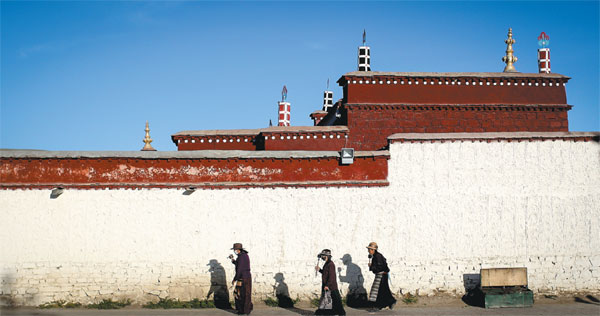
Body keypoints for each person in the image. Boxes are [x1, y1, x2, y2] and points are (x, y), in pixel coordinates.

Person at [314, 249, 346, 315]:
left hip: (331, 287)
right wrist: (320, 270)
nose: (322, 257)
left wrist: (327, 285)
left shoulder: (331, 264)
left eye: (323, 256)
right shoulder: (327, 264)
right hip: (327, 286)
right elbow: (326, 273)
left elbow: (332, 277)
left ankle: (341, 313)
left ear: (326, 256)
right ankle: (328, 313)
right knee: (328, 301)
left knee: (336, 301)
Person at [367, 242, 396, 310]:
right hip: (381, 275)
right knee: (384, 290)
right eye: (369, 249)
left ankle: (379, 305)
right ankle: (391, 301)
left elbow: (380, 267)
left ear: (373, 250)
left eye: (370, 249)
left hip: (381, 275)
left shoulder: (378, 256)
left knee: (378, 291)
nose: (369, 251)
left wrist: (372, 267)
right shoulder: (376, 256)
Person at [229, 243, 253, 315]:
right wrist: (233, 260)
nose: (234, 251)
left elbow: (239, 269)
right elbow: (239, 264)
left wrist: (234, 279)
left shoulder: (241, 257)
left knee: (240, 294)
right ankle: (246, 309)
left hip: (243, 279)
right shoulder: (244, 256)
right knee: (245, 294)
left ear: (238, 250)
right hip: (246, 278)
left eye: (235, 250)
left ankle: (242, 310)